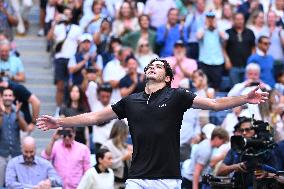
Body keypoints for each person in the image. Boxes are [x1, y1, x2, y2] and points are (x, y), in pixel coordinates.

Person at [37, 58, 268, 189]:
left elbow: (216, 104)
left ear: (168, 78)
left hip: (167, 178)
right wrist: (60, 122)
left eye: (158, 66)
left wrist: (245, 98)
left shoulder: (178, 96)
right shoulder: (131, 101)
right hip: (137, 177)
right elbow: (96, 117)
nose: (152, 67)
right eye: (150, 65)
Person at [0, 88, 27, 187]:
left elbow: (25, 129)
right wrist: (1, 114)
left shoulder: (19, 112)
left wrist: (18, 116)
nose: (8, 97)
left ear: (14, 98)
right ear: (2, 97)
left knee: (16, 184)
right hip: (1, 155)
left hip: (16, 154)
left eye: (10, 95)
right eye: (5, 95)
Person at [224, 12, 256, 86]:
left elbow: (253, 48)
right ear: (234, 20)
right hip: (233, 66)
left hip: (247, 66)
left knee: (247, 89)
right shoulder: (228, 32)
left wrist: (252, 61)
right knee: (235, 89)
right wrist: (227, 60)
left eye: (241, 19)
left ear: (244, 20)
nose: (239, 21)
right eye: (237, 19)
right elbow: (223, 48)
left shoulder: (250, 32)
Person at [101, 120, 132, 188]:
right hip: (114, 183)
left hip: (126, 182)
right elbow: (105, 164)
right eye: (125, 133)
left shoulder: (124, 145)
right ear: (119, 133)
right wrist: (123, 158)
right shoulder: (107, 146)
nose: (126, 136)